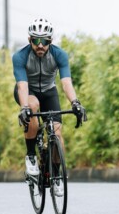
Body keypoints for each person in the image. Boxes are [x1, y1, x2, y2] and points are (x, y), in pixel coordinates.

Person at [12, 18, 86, 194]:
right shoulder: (20, 56)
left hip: (49, 92)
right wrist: (24, 108)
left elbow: (66, 82)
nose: (40, 45)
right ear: (29, 40)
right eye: (36, 40)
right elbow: (22, 85)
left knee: (57, 134)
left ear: (50, 41)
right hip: (27, 92)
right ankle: (31, 156)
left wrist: (75, 102)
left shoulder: (59, 54)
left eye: (44, 41)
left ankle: (57, 175)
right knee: (33, 106)